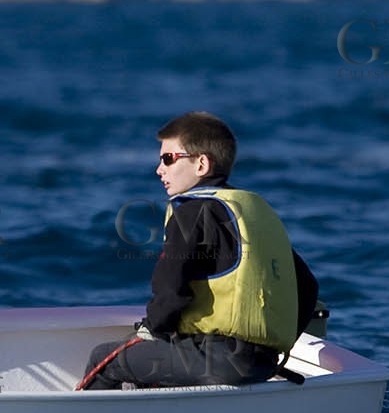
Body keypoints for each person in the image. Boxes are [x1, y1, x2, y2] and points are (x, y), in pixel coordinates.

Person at [80, 111, 320, 390]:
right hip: (262, 363)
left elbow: (171, 288)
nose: (159, 169)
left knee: (105, 358)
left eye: (168, 158)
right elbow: (307, 286)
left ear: (202, 164)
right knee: (162, 357)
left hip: (216, 359)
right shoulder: (253, 215)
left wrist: (153, 330)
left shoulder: (191, 212)